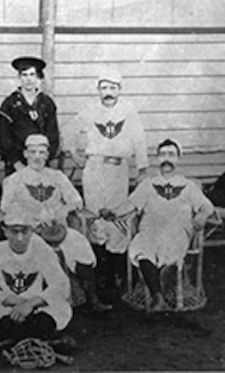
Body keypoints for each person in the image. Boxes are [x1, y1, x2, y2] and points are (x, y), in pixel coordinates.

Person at [0, 134, 104, 311]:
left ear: (47, 155)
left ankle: (91, 298)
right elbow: (5, 207)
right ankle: (46, 302)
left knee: (78, 243)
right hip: (30, 232)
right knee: (39, 254)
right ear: (25, 154)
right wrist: (33, 216)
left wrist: (61, 210)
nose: (37, 157)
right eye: (33, 152)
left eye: (42, 152)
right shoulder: (15, 179)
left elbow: (76, 201)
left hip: (58, 229)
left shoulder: (57, 176)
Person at [68, 71, 148, 303]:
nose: (108, 93)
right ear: (98, 90)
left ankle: (117, 274)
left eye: (113, 88)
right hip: (94, 168)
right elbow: (69, 130)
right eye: (104, 88)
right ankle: (101, 275)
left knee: (116, 218)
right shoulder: (90, 110)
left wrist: (142, 169)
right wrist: (75, 154)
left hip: (118, 169)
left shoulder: (128, 110)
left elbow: (139, 138)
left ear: (120, 90)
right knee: (95, 217)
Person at [122, 139, 215, 312]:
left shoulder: (189, 186)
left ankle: (157, 294)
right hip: (150, 229)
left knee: (172, 247)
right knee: (143, 246)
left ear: (178, 158)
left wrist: (202, 215)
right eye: (163, 154)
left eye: (171, 154)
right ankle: (158, 297)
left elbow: (207, 206)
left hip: (177, 230)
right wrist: (112, 211)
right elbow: (130, 205)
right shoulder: (147, 185)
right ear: (157, 159)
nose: (167, 158)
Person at [0, 215, 73, 352]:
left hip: (36, 306)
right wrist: (16, 302)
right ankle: (42, 341)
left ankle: (12, 342)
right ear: (5, 231)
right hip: (8, 306)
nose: (20, 238)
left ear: (32, 231)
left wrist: (30, 304)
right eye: (14, 232)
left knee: (55, 313)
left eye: (24, 231)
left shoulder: (42, 250)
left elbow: (61, 285)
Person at [0, 56, 59, 175]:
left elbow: (53, 136)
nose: (28, 79)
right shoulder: (10, 104)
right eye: (24, 75)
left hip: (41, 163)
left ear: (37, 77)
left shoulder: (46, 103)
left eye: (32, 75)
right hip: (16, 166)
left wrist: (42, 161)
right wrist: (16, 163)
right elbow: (3, 139)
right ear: (19, 78)